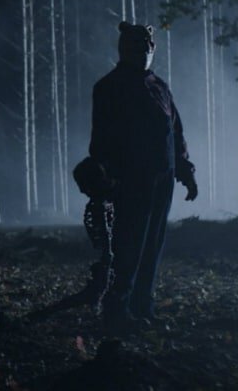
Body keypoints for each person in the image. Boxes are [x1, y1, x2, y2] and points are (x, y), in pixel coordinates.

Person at [74, 21, 198, 333]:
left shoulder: (159, 87)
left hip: (162, 178)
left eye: (146, 45)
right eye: (136, 45)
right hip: (130, 180)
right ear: (123, 49)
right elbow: (101, 138)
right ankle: (118, 310)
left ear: (152, 49)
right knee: (128, 247)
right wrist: (105, 177)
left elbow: (175, 132)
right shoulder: (109, 87)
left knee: (151, 246)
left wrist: (185, 170)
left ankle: (142, 307)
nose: (143, 50)